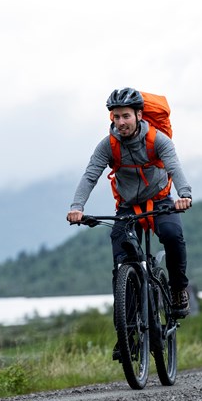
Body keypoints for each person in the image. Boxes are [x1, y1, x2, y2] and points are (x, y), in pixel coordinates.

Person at [66, 87, 193, 320]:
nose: (121, 122)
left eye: (126, 116)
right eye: (116, 116)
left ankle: (177, 290)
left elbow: (174, 166)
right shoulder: (108, 145)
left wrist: (184, 195)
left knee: (172, 235)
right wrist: (77, 207)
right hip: (128, 206)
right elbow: (90, 175)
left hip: (160, 201)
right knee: (122, 259)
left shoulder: (158, 140)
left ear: (139, 115)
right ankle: (126, 330)